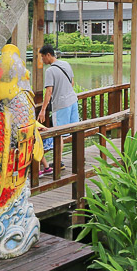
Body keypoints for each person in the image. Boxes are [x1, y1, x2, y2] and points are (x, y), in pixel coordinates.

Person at [37, 44, 76, 176]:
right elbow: (72, 83)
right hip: (73, 101)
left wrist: (43, 110)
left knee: (58, 133)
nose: (42, 60)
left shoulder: (50, 71)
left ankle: (58, 162)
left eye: (43, 57)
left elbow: (49, 91)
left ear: (48, 55)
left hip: (61, 105)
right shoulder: (66, 64)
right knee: (73, 131)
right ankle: (77, 158)